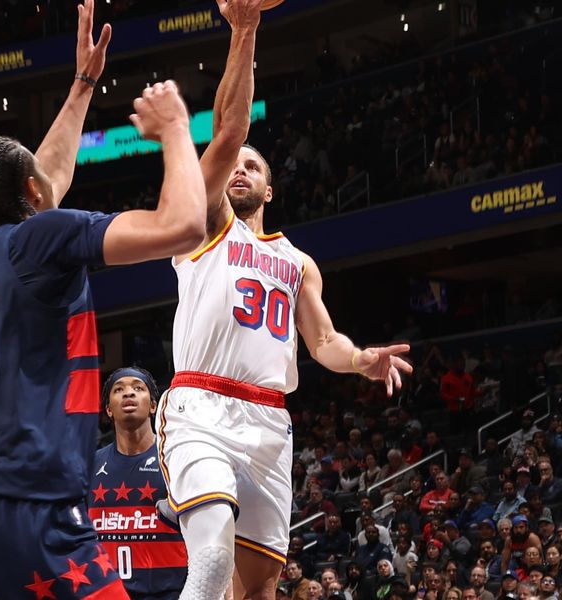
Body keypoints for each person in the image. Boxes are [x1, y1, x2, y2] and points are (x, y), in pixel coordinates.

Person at [0, 1, 207, 597]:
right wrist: (174, 128)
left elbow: (46, 178)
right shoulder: (38, 238)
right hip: (35, 514)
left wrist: (83, 85)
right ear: (33, 194)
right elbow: (184, 225)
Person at [157, 3, 414, 599]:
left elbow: (323, 341)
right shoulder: (208, 225)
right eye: (236, 168)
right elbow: (228, 132)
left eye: (254, 167)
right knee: (214, 550)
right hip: (201, 404)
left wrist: (361, 360)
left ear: (271, 188)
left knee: (259, 586)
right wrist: (244, 31)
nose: (240, 170)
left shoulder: (298, 262)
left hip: (269, 418)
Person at [88, 367, 187, 599]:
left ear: (153, 406)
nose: (128, 393)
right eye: (119, 389)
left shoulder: (176, 459)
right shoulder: (88, 465)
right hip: (107, 593)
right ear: (108, 410)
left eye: (138, 388)